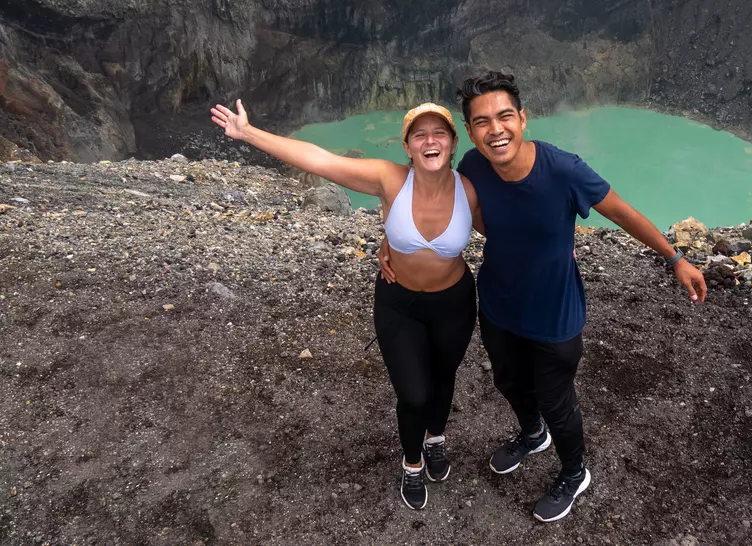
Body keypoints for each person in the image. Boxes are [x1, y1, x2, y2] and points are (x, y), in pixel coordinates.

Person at [379, 71, 707, 522]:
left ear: (523, 119)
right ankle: (532, 436)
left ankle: (575, 472)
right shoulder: (473, 167)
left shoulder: (563, 169)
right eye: (482, 122)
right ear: (470, 132)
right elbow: (438, 205)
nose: (495, 130)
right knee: (509, 382)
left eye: (504, 116)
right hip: (497, 305)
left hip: (554, 313)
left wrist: (675, 258)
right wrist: (391, 244)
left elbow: (622, 212)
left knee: (555, 398)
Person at [211, 100, 483, 511]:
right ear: (407, 146)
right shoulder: (389, 179)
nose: (431, 140)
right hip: (399, 304)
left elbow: (509, 226)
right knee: (413, 393)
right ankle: (412, 464)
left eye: (439, 133)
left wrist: (556, 246)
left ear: (452, 141)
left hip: (455, 302)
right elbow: (321, 160)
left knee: (444, 376)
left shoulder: (469, 190)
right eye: (420, 134)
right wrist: (249, 133)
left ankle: (435, 440)